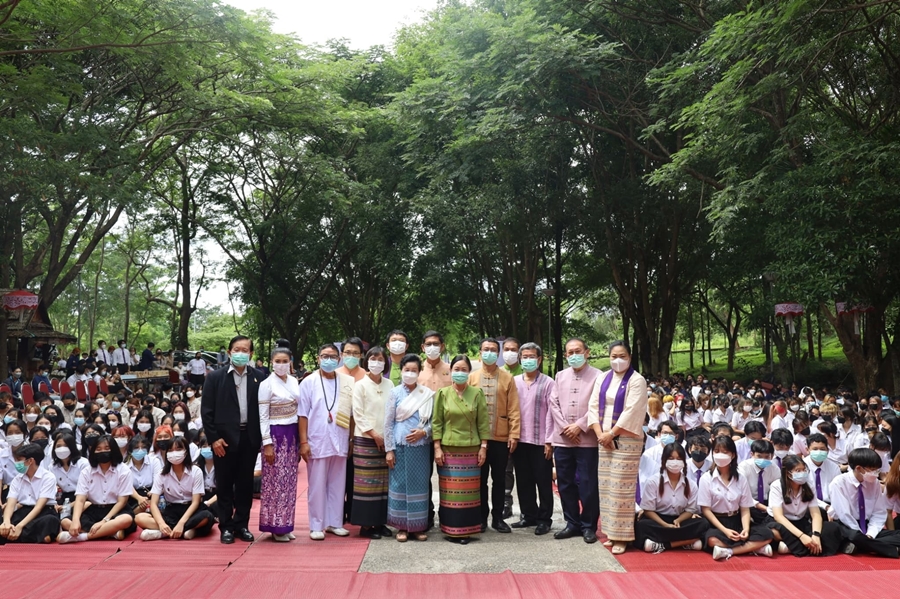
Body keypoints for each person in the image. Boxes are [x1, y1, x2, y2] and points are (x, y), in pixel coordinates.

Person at [588, 340, 648, 554]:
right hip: (603, 439)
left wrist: (612, 433)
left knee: (622, 488)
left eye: (622, 356)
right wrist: (600, 435)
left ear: (630, 357)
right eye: (613, 356)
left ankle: (623, 537)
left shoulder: (637, 380)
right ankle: (611, 533)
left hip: (626, 439)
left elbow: (632, 410)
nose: (618, 360)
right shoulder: (602, 378)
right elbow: (593, 406)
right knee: (606, 486)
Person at [201, 335, 262, 544]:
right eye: (237, 349)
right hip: (223, 440)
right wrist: (214, 439)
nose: (241, 353)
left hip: (249, 438)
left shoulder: (259, 378)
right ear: (229, 352)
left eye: (245, 350)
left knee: (245, 485)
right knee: (225, 484)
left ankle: (242, 525)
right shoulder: (215, 378)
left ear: (251, 354)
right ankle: (226, 526)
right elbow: (206, 412)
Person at [298, 343, 354, 540]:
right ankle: (316, 525)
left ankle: (334, 523)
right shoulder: (308, 382)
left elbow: (352, 413)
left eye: (332, 356)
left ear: (339, 359)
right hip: (317, 438)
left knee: (338, 483)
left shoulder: (347, 381)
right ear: (318, 358)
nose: (328, 360)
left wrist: (352, 437)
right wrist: (303, 442)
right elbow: (302, 415)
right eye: (324, 356)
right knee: (317, 483)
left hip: (340, 437)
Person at [548, 338, 601, 543]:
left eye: (577, 351)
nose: (573, 355)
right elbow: (553, 403)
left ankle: (588, 526)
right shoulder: (560, 376)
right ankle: (572, 523)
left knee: (588, 484)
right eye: (569, 352)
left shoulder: (599, 376)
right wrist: (564, 427)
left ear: (587, 352)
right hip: (563, 440)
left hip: (587, 439)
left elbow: (598, 405)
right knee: (565, 483)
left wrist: (580, 425)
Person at [432, 355, 489, 544]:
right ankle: (451, 529)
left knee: (469, 494)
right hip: (449, 450)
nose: (460, 373)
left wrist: (483, 447)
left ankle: (468, 530)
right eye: (456, 369)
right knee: (450, 492)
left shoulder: (477, 393)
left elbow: (483, 422)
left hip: (471, 449)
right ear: (451, 371)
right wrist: (437, 447)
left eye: (464, 369)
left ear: (469, 372)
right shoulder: (442, 393)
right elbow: (437, 422)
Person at [468, 337, 520, 534]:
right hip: (477, 440)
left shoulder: (507, 378)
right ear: (480, 353)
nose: (489, 353)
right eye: (485, 349)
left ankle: (498, 518)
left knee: (499, 479)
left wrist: (513, 434)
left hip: (500, 438)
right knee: (479, 480)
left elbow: (514, 408)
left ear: (498, 354)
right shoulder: (472, 377)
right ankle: (481, 518)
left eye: (492, 350)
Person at [699, 435, 774, 560]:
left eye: (725, 452)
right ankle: (753, 548)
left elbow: (745, 508)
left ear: (733, 455)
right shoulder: (706, 478)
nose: (720, 455)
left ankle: (729, 551)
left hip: (736, 519)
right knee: (712, 540)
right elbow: (706, 510)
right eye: (716, 451)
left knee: (767, 534)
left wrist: (746, 529)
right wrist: (725, 530)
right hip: (717, 522)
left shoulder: (740, 478)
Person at [384, 354, 434, 542]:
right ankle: (401, 527)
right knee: (399, 485)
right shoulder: (394, 393)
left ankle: (417, 527)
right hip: (399, 446)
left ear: (419, 372)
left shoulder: (427, 394)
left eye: (414, 370)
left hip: (420, 447)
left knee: (419, 485)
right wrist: (389, 449)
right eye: (407, 370)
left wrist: (424, 432)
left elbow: (434, 422)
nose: (410, 373)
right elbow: (387, 423)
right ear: (402, 371)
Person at [349, 346, 395, 539]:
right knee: (366, 484)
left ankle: (381, 522)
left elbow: (393, 411)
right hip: (366, 440)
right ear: (366, 361)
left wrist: (387, 437)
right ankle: (366, 525)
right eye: (373, 358)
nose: (376, 362)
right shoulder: (359, 385)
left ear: (385, 363)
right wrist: (374, 434)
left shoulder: (390, 385)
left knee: (384, 484)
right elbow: (358, 414)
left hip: (386, 440)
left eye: (380, 359)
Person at [257, 343, 301, 542]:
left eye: (285, 361)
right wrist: (267, 443)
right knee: (276, 482)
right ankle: (275, 525)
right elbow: (263, 416)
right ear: (272, 363)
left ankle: (286, 523)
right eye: (278, 361)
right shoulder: (266, 384)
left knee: (289, 482)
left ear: (290, 362)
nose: (282, 365)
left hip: (292, 434)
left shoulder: (294, 381)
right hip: (275, 435)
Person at [510, 342, 555, 535]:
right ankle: (529, 515)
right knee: (523, 481)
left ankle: (544, 519)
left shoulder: (548, 383)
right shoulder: (513, 381)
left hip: (540, 441)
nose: (528, 360)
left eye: (532, 357)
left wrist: (549, 440)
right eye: (525, 357)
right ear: (520, 359)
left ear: (539, 359)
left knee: (543, 481)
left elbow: (552, 413)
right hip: (519, 440)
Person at [58, 435, 135, 543]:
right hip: (94, 510)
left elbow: (122, 502)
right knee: (65, 521)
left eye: (107, 448)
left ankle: (83, 537)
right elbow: (80, 499)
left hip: (115, 510)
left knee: (125, 520)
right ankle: (110, 533)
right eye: (98, 449)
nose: (102, 452)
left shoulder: (123, 470)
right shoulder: (86, 471)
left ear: (114, 450)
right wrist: (75, 521)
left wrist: (104, 521)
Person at [135, 436, 214, 541]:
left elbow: (195, 502)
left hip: (191, 510)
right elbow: (153, 503)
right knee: (139, 518)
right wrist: (161, 523)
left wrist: (181, 523)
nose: (174, 453)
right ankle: (180, 531)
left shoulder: (196, 471)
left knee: (207, 517)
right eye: (171, 450)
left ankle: (165, 533)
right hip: (171, 510)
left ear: (186, 451)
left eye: (178, 449)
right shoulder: (161, 474)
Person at [635, 442, 708, 553]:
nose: (675, 462)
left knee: (703, 524)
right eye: (671, 458)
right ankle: (686, 542)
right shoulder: (653, 482)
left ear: (684, 461)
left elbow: (690, 510)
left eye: (679, 458)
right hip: (658, 520)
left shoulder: (691, 484)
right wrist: (665, 525)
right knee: (642, 525)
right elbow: (648, 510)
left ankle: (662, 544)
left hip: (679, 521)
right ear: (664, 460)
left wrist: (678, 520)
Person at [830, 447, 900, 557]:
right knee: (853, 536)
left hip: (867, 525)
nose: (876, 473)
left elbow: (879, 512)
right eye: (873, 470)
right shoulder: (838, 483)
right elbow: (844, 515)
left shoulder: (875, 483)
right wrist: (860, 535)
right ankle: (890, 549)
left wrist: (870, 535)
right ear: (859, 468)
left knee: (897, 534)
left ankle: (860, 546)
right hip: (847, 525)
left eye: (878, 470)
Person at [766, 454, 841, 556]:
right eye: (798, 471)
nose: (802, 473)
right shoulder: (777, 486)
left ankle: (791, 547)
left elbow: (816, 515)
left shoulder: (809, 486)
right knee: (774, 533)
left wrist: (816, 535)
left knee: (832, 528)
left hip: (801, 522)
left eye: (804, 470)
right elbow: (778, 516)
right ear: (788, 473)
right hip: (782, 523)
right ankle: (805, 546)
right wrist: (802, 536)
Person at [0, 443, 59, 544]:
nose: (16, 463)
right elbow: (10, 503)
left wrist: (19, 526)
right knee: (4, 522)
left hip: (42, 512)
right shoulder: (17, 479)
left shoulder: (48, 477)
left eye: (19, 460)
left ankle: (14, 535)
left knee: (50, 521)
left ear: (30, 461)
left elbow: (38, 507)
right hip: (23, 511)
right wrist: (6, 522)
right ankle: (29, 536)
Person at [737, 439, 780, 524]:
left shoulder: (773, 468)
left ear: (772, 456)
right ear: (752, 454)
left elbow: (779, 489)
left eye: (767, 457)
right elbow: (742, 494)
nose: (763, 459)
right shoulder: (743, 467)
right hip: (748, 504)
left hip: (767, 503)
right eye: (759, 456)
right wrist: (764, 508)